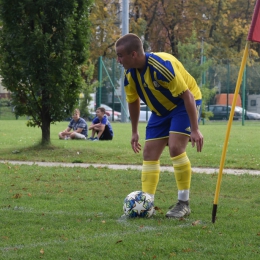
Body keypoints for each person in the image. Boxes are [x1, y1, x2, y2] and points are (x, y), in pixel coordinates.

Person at [115, 33, 203, 218]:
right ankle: (147, 205)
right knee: (149, 153)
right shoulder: (129, 74)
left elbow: (187, 96)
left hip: (183, 103)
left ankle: (183, 203)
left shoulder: (161, 66)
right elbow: (133, 101)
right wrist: (134, 131)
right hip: (160, 110)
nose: (118, 60)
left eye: (120, 55)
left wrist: (194, 129)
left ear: (133, 54)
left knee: (176, 147)